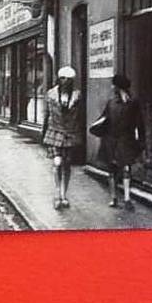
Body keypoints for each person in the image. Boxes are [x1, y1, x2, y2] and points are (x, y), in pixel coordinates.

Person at [97, 74, 145, 209]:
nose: (112, 87)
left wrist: (140, 140)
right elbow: (105, 120)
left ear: (117, 87)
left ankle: (121, 198)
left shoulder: (127, 103)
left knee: (119, 169)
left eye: (114, 85)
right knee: (120, 169)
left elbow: (139, 123)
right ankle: (120, 198)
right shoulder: (117, 102)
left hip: (120, 139)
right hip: (116, 140)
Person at [41, 65, 83, 210]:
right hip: (55, 132)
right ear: (59, 79)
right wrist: (43, 133)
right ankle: (57, 193)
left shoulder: (77, 95)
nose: (66, 82)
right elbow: (46, 114)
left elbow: (79, 117)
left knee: (67, 164)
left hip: (70, 133)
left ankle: (64, 195)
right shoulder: (51, 94)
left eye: (69, 79)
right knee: (57, 163)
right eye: (63, 78)